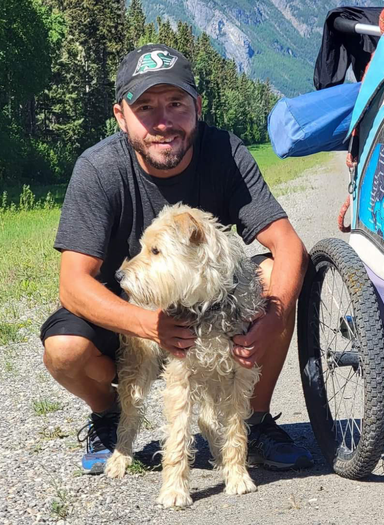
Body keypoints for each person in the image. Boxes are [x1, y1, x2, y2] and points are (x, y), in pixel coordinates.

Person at [39, 44, 313, 474]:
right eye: (145, 107)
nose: (163, 122)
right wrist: (149, 325)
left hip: (209, 301)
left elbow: (288, 244)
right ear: (120, 115)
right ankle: (111, 416)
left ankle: (253, 420)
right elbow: (73, 283)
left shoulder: (225, 152)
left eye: (176, 103)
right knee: (64, 349)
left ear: (197, 107)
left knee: (278, 275)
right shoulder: (98, 169)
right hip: (130, 302)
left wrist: (274, 317)